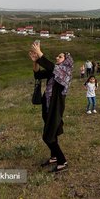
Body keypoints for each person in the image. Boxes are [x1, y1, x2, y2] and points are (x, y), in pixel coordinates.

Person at [29, 41, 73, 173]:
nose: (57, 58)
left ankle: (62, 161)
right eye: (57, 56)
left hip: (56, 107)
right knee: (52, 133)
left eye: (60, 56)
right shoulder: (54, 71)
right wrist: (36, 61)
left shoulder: (66, 71)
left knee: (48, 136)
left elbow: (52, 67)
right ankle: (54, 157)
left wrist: (40, 53)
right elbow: (37, 74)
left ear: (66, 60)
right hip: (47, 105)